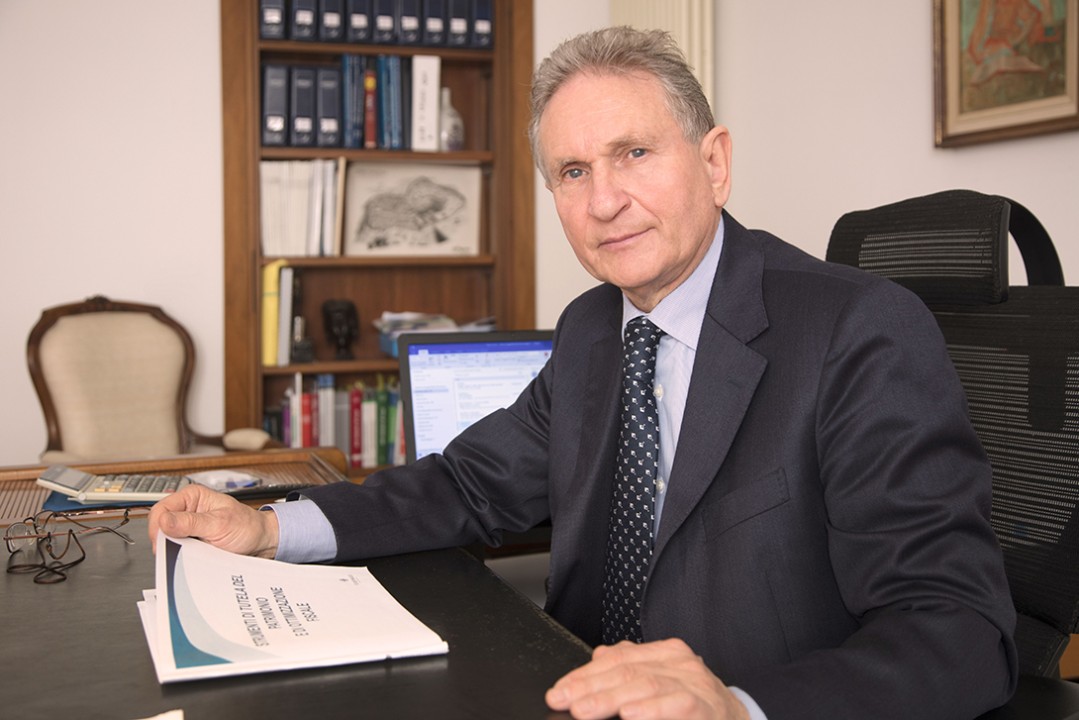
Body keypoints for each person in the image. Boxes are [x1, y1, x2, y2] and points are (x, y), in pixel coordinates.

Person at [150, 27, 1017, 720]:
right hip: (570, 685)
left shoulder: (857, 331)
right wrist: (270, 529)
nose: (603, 201)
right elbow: (468, 485)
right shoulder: (594, 328)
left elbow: (958, 630)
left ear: (714, 162)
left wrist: (740, 707)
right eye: (573, 171)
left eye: (633, 153)